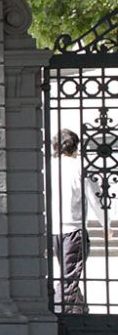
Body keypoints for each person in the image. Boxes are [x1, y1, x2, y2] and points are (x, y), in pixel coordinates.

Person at [51, 129, 106, 314]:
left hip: (52, 229)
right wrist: (105, 223)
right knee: (69, 280)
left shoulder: (47, 166)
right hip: (73, 229)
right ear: (75, 147)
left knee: (69, 275)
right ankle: (62, 318)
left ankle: (81, 311)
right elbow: (96, 196)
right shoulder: (79, 167)